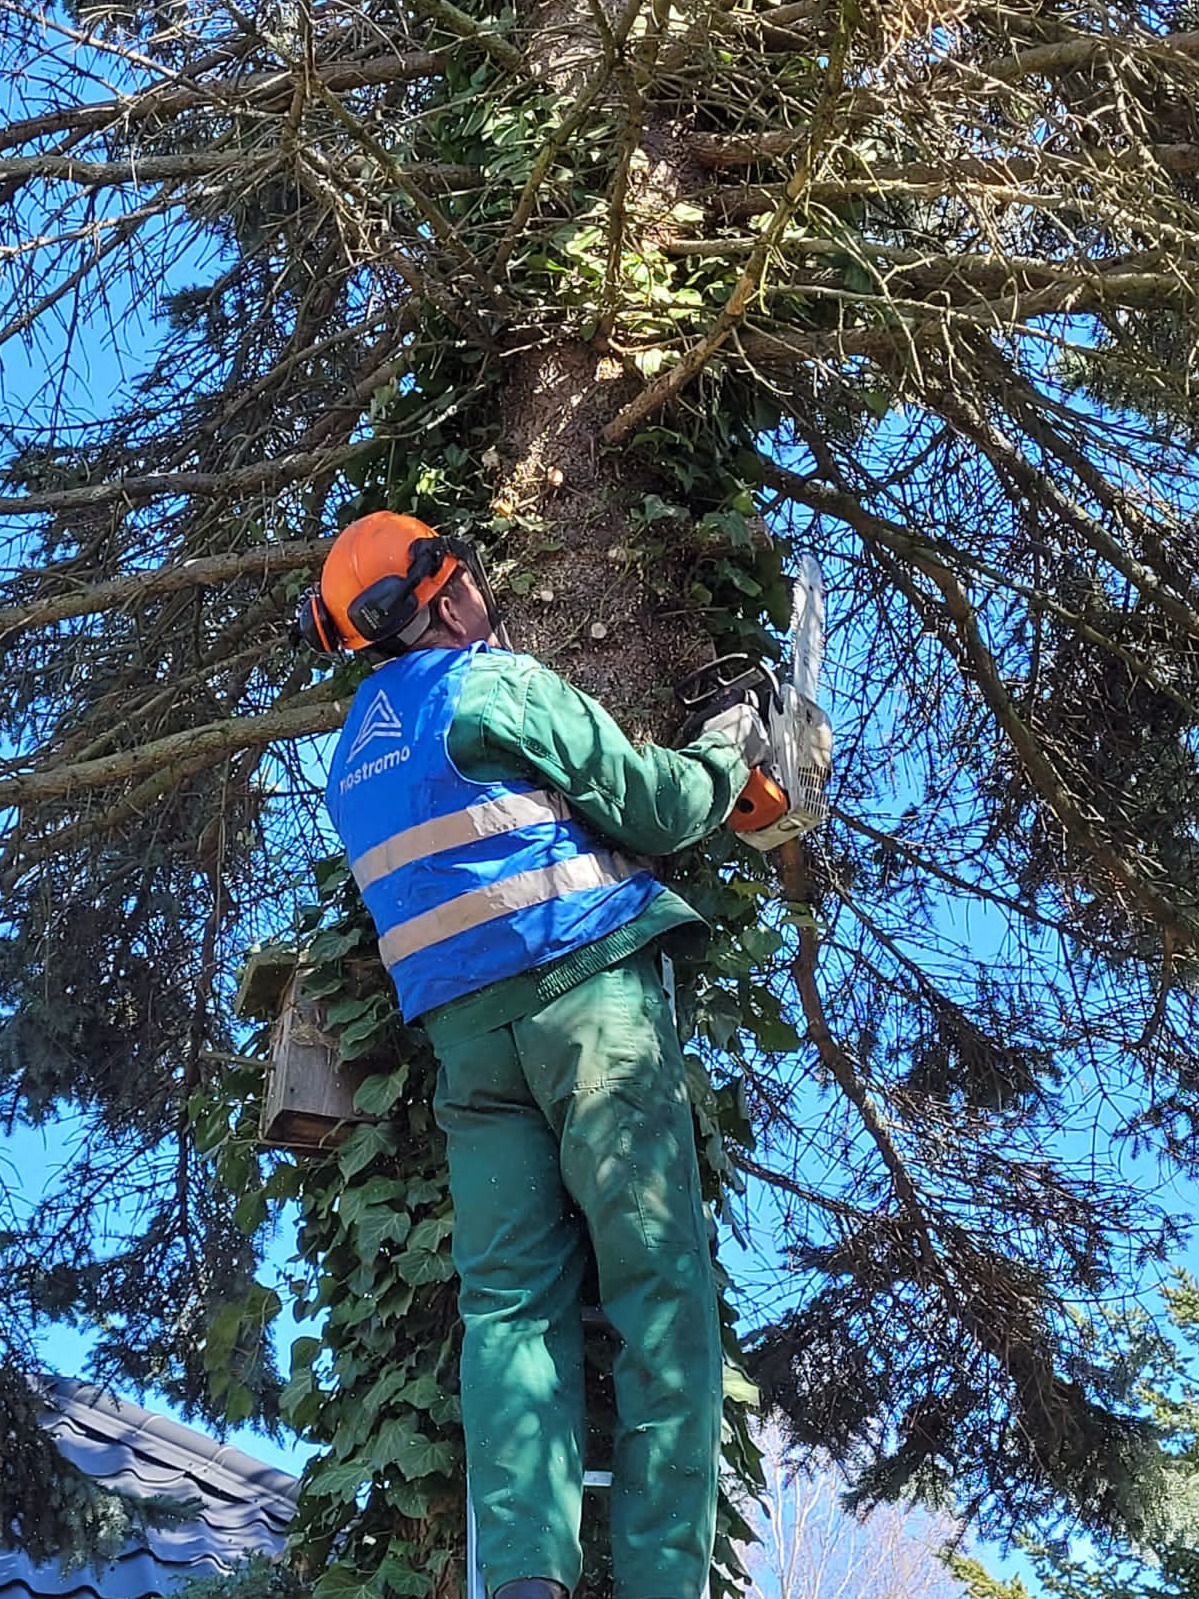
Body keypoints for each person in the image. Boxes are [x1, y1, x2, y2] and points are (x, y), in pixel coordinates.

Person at [296, 511, 771, 1599]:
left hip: (473, 1054)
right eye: (465, 575)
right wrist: (727, 745)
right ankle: (662, 1581)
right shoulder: (493, 686)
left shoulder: (350, 766)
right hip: (590, 1007)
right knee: (661, 1292)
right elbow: (657, 808)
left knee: (508, 1308)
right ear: (445, 592)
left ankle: (523, 1580)